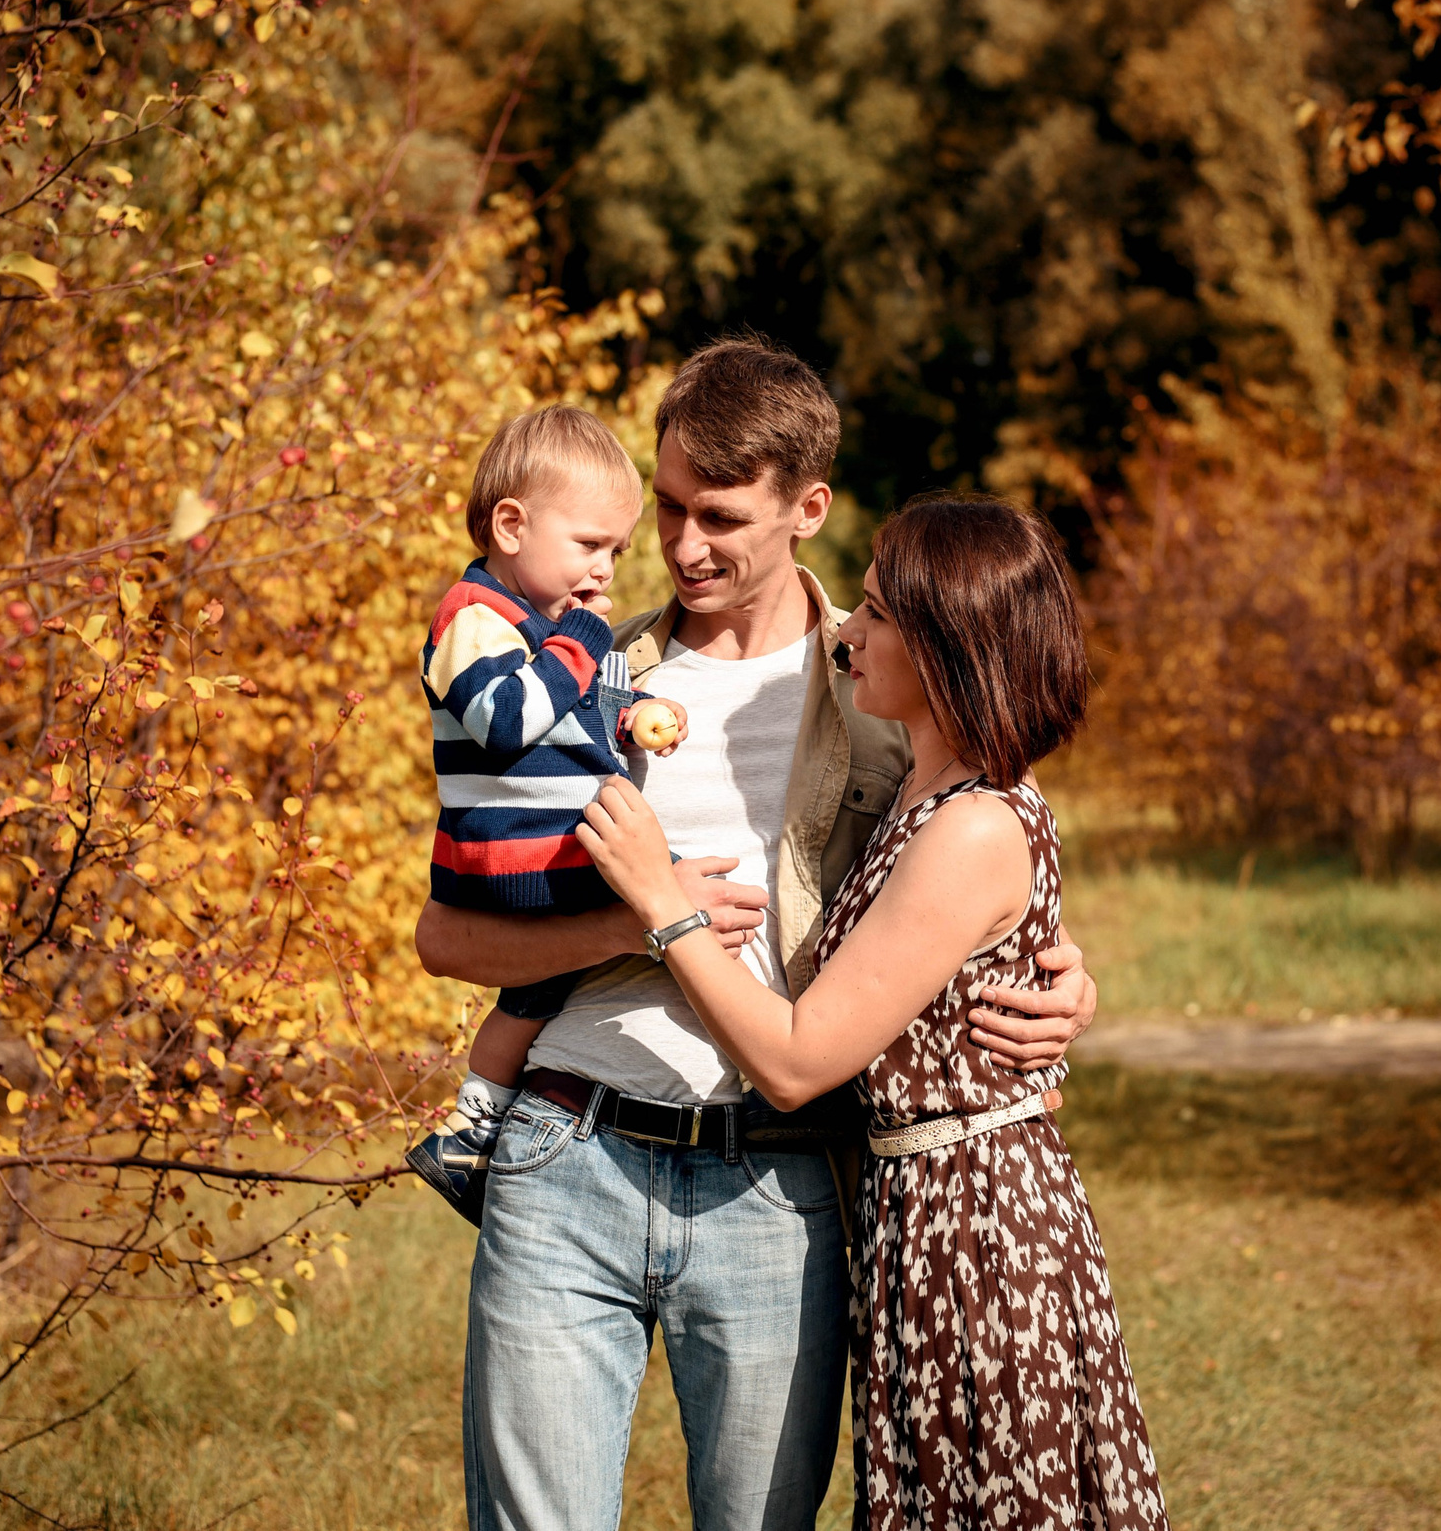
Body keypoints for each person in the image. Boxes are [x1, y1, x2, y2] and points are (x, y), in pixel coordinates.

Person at [413, 339, 1100, 1531]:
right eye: (667, 508)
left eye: (719, 516)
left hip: (777, 1189)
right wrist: (634, 926)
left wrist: (1062, 984)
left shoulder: (887, 695)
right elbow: (446, 935)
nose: (683, 547)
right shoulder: (576, 667)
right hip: (564, 1152)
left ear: (808, 509)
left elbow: (969, 882)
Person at [576, 493, 1168, 1531]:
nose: (850, 628)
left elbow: (800, 1060)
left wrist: (660, 903)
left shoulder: (970, 823)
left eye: (884, 615)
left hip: (978, 1235)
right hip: (917, 1213)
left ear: (952, 649)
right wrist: (1070, 978)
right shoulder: (919, 792)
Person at [404, 404, 690, 1222]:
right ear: (511, 525)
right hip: (519, 856)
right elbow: (504, 719)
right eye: (588, 545)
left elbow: (568, 716)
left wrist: (631, 712)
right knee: (679, 894)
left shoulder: (543, 626)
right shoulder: (472, 617)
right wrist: (581, 648)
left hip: (542, 850)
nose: (604, 570)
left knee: (532, 1000)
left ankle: (468, 1135)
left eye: (617, 551)